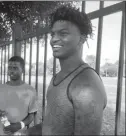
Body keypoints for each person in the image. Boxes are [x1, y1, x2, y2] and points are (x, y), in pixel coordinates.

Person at [24, 4, 107, 135]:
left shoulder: (86, 84)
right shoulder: (57, 78)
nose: (54, 39)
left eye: (63, 33)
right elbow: (53, 125)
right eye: (53, 34)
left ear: (82, 38)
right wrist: (25, 133)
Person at [0, 56, 38, 135]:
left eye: (15, 68)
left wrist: (19, 125)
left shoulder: (30, 91)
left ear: (22, 70)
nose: (11, 71)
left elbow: (31, 115)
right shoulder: (0, 89)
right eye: (9, 68)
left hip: (18, 133)